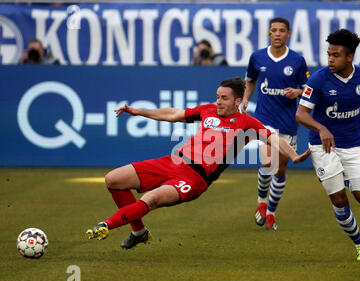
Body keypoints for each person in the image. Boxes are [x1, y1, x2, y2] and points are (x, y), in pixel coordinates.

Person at [86, 77, 311, 249]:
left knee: (151, 198)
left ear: (238, 101)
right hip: (172, 162)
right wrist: (139, 112)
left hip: (194, 178)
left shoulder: (247, 123)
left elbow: (272, 138)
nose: (218, 101)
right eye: (217, 96)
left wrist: (292, 155)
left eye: (224, 98)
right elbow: (174, 113)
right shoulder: (207, 111)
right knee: (113, 179)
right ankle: (138, 232)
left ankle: (106, 225)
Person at [295, 29, 360, 261]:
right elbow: (301, 114)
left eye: (336, 55)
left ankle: (343, 175)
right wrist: (321, 128)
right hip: (323, 146)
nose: (330, 60)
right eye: (328, 54)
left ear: (350, 57)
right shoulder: (319, 79)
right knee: (339, 200)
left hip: (353, 144)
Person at [241, 17, 309, 231]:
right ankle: (261, 203)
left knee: (280, 170)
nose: (277, 34)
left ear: (288, 34)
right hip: (264, 119)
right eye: (274, 30)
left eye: (281, 30)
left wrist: (297, 92)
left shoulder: (297, 61)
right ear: (269, 34)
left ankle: (271, 212)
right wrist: (245, 98)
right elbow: (250, 80)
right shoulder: (257, 57)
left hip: (287, 122)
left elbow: (308, 89)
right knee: (268, 163)